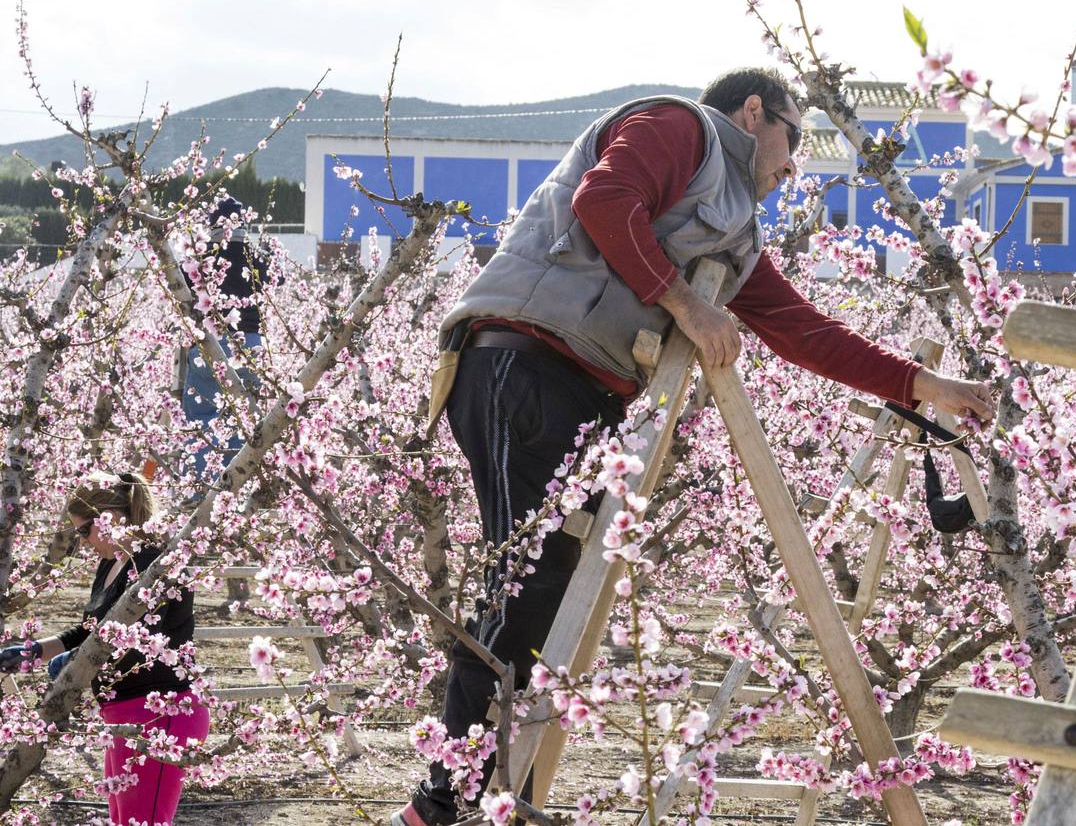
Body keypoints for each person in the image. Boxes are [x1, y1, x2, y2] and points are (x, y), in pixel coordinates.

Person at [390, 68, 993, 825]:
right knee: (525, 577)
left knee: (545, 578)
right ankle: (442, 796)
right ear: (752, 111)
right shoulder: (681, 127)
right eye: (793, 138)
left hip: (582, 387)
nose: (794, 164)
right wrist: (685, 305)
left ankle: (481, 787)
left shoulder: (736, 232)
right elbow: (603, 201)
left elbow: (804, 331)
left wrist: (922, 385)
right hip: (522, 358)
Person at [0, 472, 207, 825]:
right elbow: (91, 632)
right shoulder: (111, 564)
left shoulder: (157, 564)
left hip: (160, 713)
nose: (82, 541)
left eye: (84, 531)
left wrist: (76, 661)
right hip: (120, 712)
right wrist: (35, 651)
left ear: (114, 517)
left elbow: (140, 640)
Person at [180, 195, 274, 480]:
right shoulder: (259, 258)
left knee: (201, 418)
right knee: (245, 422)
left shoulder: (199, 259)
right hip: (253, 347)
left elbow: (182, 293)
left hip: (210, 344)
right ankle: (238, 486)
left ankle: (201, 487)